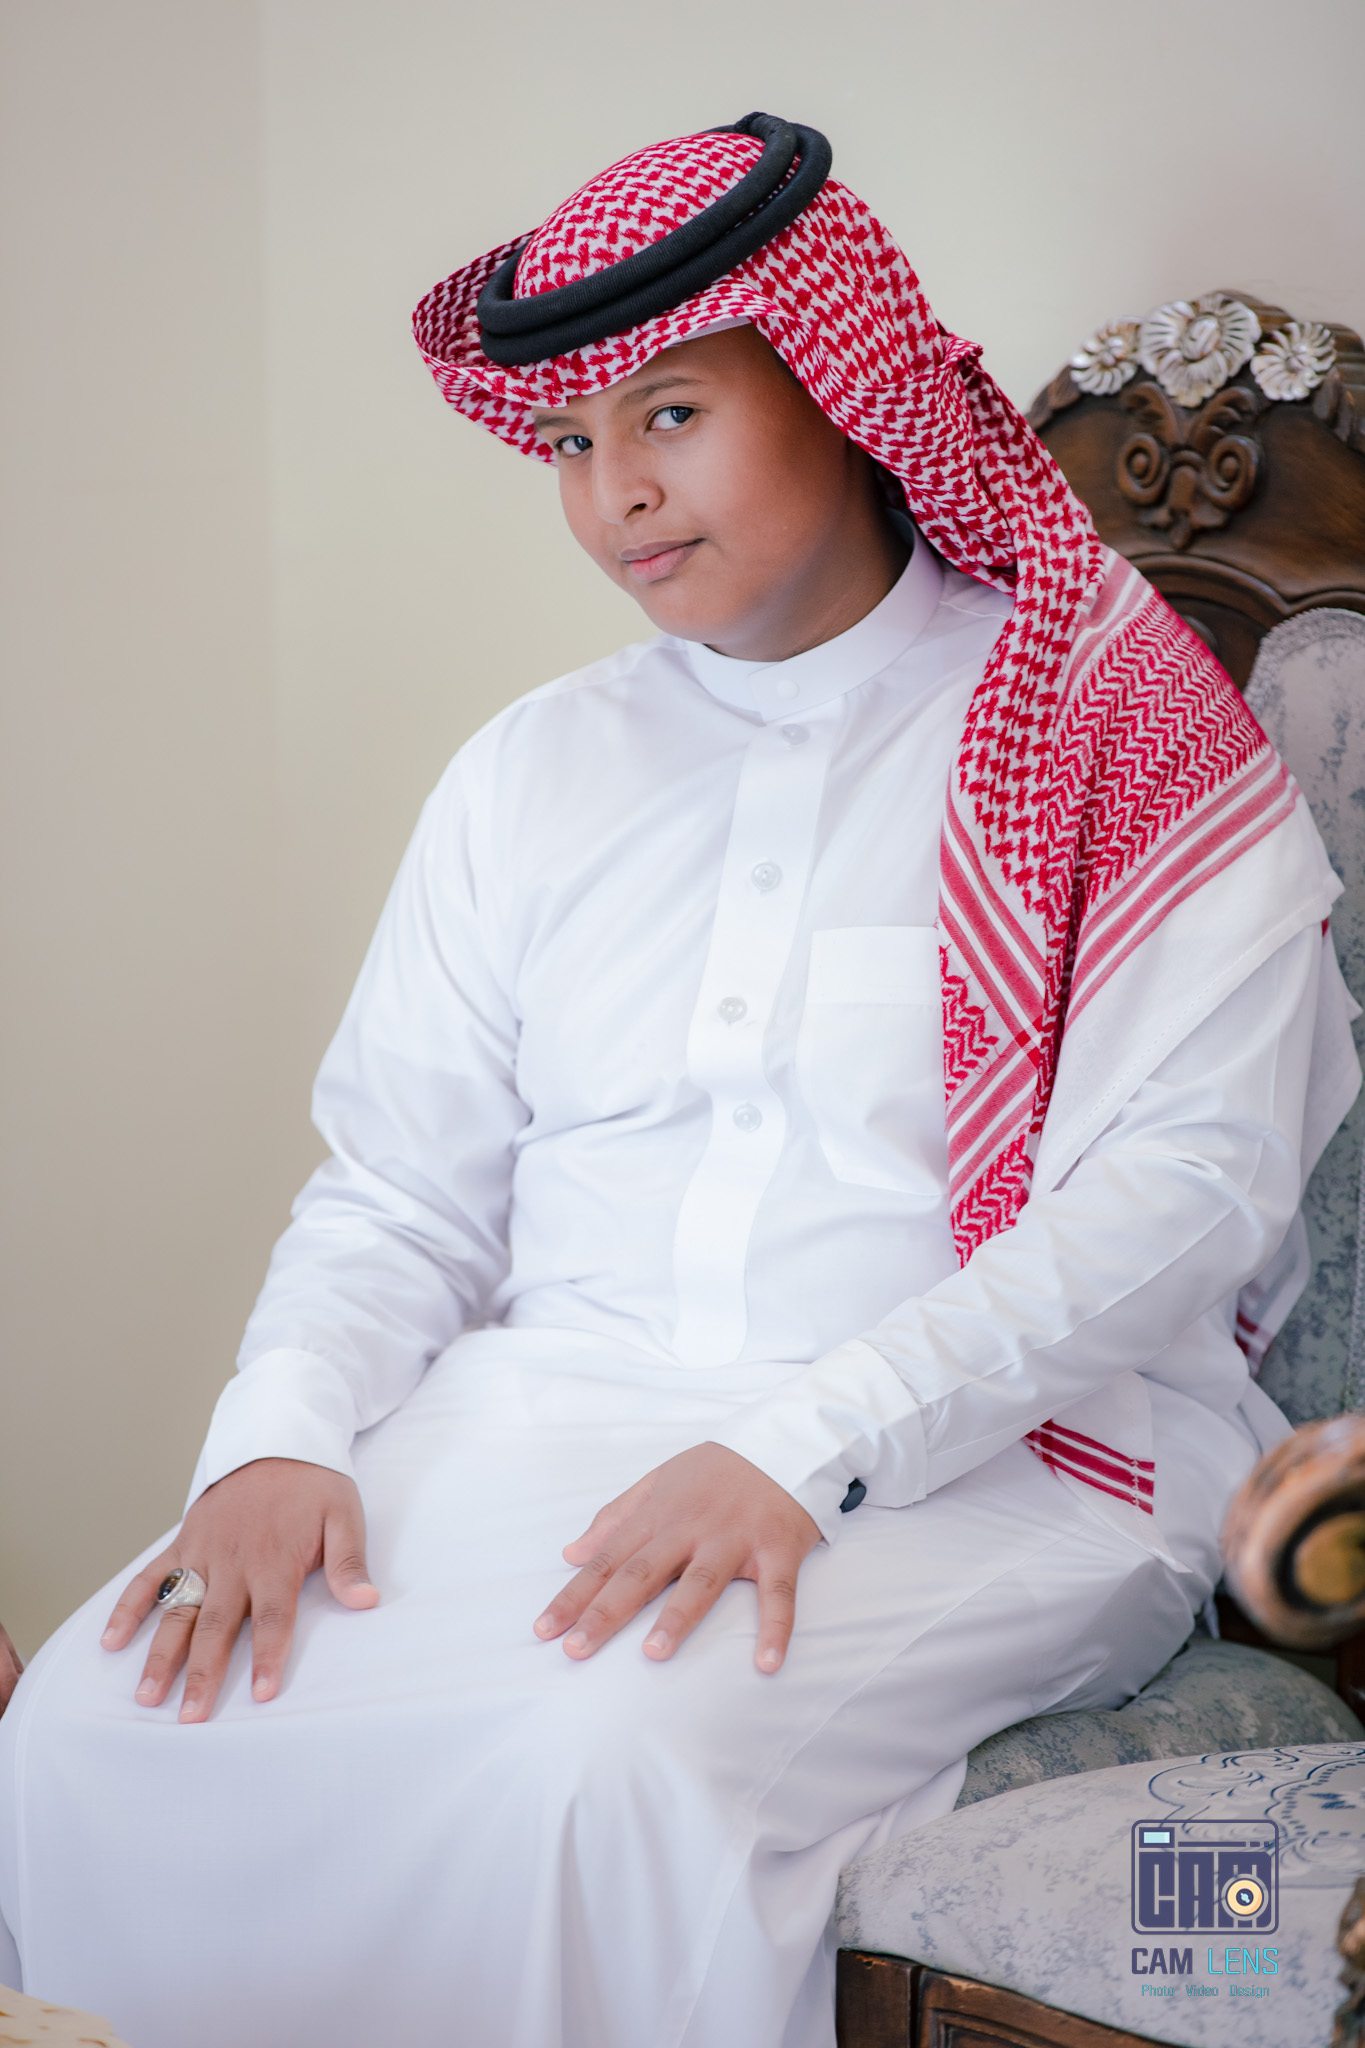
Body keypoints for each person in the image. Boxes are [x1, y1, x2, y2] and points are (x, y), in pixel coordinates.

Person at [0, 112, 1358, 2048]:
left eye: (669, 415)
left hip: (1005, 1467)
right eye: (569, 442)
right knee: (92, 1719)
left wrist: (801, 1446)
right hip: (539, 1418)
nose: (614, 493)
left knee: (588, 1770)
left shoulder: (1109, 728)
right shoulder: (529, 772)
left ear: (838, 386)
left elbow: (1179, 1198)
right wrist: (275, 1440)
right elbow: (398, 1190)